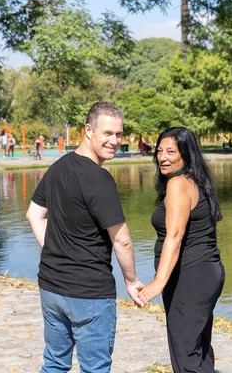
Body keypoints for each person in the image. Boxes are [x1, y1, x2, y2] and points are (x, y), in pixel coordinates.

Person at [26, 101, 145, 373]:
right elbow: (122, 240)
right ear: (89, 131)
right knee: (95, 368)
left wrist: (55, 250)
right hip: (88, 292)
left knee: (54, 364)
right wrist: (132, 280)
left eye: (119, 134)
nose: (114, 141)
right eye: (107, 133)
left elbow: (34, 215)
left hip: (51, 287)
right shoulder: (99, 179)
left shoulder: (58, 167)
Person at [138, 127, 225, 373]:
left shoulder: (178, 183)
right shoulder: (194, 181)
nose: (163, 157)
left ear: (185, 154)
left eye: (171, 152)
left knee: (185, 355)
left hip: (191, 277)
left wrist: (158, 282)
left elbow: (175, 236)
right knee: (199, 349)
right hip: (206, 273)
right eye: (159, 151)